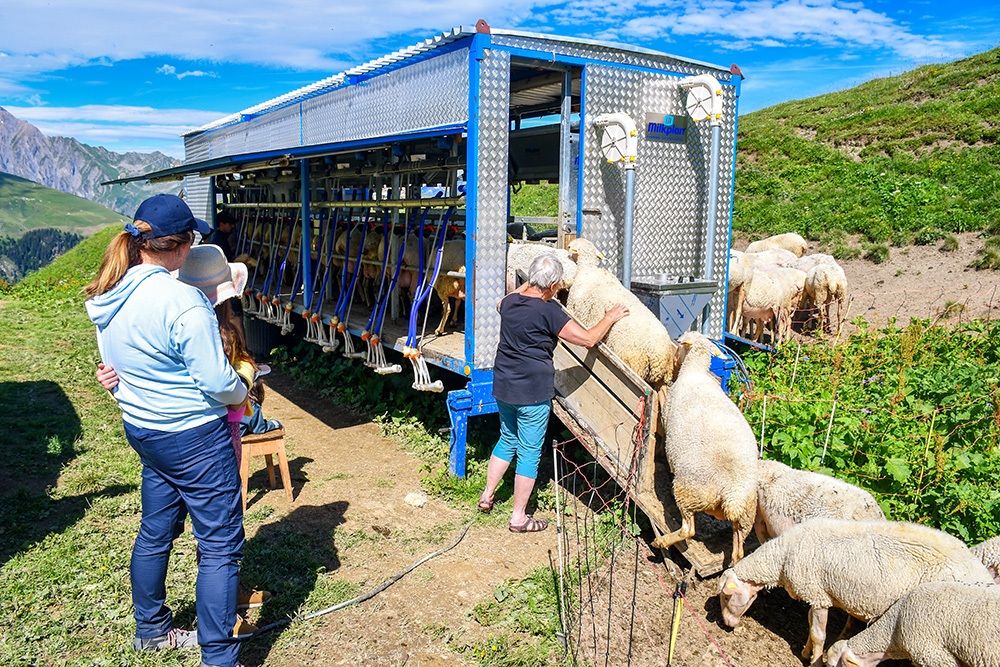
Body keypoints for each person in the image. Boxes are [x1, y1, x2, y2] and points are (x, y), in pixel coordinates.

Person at [85, 194, 247, 667]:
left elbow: (116, 367)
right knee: (219, 545)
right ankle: (219, 658)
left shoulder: (107, 294)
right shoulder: (182, 300)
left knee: (156, 530)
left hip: (145, 430)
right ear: (181, 246)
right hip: (193, 436)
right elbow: (215, 380)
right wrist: (241, 393)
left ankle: (150, 630)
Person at [478, 253, 629, 532]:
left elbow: (503, 301)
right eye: (557, 286)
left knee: (507, 438)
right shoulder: (550, 312)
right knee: (529, 452)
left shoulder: (509, 302)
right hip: (532, 392)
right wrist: (609, 317)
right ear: (554, 285)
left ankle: (487, 497)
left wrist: (529, 283)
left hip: (503, 386)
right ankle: (519, 518)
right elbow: (588, 339)